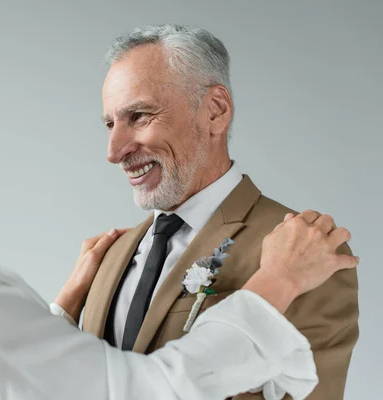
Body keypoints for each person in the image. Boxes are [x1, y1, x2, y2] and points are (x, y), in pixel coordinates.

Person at [0, 37, 357, 400]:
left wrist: (56, 314)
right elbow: (141, 391)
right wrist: (274, 284)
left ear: (215, 110)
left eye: (138, 116)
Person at [83, 24, 359, 399]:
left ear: (215, 111)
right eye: (110, 124)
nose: (114, 151)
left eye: (139, 116)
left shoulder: (309, 253)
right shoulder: (107, 258)